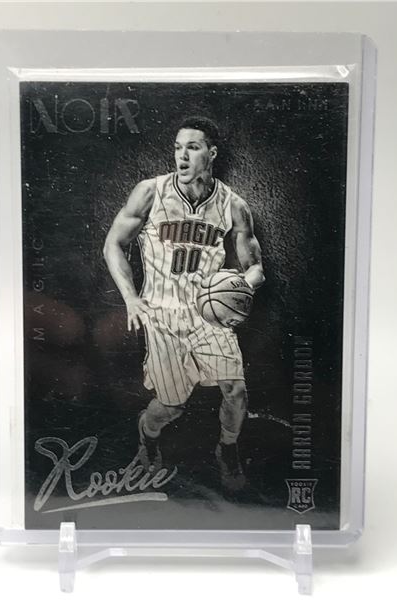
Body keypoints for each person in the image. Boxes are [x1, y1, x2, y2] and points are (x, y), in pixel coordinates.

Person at [103, 116, 265, 490]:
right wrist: (130, 298)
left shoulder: (233, 205)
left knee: (236, 390)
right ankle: (147, 436)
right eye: (178, 147)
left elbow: (256, 267)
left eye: (192, 147)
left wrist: (239, 286)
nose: (182, 156)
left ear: (212, 153)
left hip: (209, 315)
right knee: (172, 406)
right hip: (162, 315)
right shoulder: (150, 193)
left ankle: (228, 448)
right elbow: (114, 244)